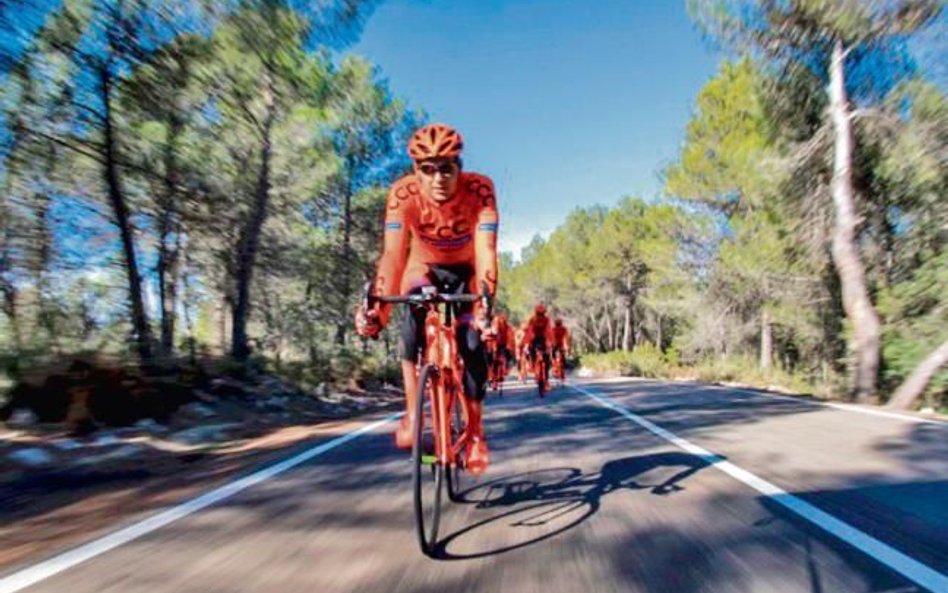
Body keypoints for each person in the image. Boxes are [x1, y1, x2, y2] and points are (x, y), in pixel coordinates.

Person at [355, 123, 498, 475]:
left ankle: (476, 434)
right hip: (424, 267)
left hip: (466, 269)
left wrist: (483, 308)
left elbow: (486, 252)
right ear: (416, 171)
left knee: (471, 340)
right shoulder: (402, 195)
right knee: (413, 315)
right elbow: (392, 256)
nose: (437, 178)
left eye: (446, 167)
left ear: (459, 168)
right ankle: (412, 412)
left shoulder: (480, 190)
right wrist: (378, 310)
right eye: (427, 169)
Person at [524, 304, 554, 377]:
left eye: (542, 313)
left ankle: (546, 375)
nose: (540, 315)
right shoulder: (532, 320)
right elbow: (529, 330)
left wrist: (550, 341)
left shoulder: (547, 320)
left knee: (547, 354)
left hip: (544, 339)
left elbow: (549, 330)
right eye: (539, 313)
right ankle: (532, 365)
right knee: (530, 350)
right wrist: (528, 342)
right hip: (534, 339)